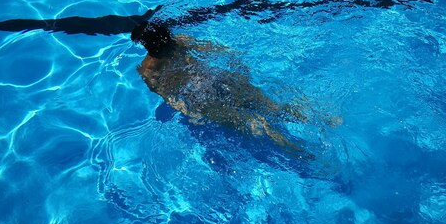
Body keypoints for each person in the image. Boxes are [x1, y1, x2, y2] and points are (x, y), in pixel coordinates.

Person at [131, 21, 317, 156]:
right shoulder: (180, 42)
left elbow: (169, 97)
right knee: (272, 108)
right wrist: (241, 70)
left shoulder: (149, 70)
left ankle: (302, 154)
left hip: (202, 100)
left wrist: (189, 112)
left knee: (256, 124)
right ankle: (318, 120)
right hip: (218, 79)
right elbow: (222, 52)